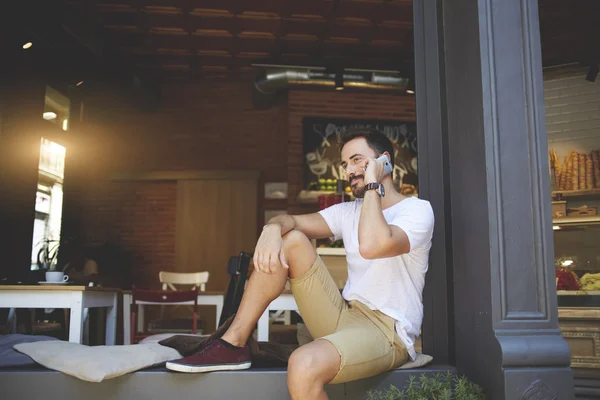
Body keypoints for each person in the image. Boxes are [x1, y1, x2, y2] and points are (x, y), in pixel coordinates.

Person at [166, 128, 435, 400]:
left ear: (384, 161)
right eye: (345, 164)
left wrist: (372, 185)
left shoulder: (416, 211)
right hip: (343, 314)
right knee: (291, 239)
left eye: (357, 160)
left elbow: (373, 245)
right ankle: (232, 343)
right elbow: (290, 221)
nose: (349, 170)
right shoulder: (348, 212)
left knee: (303, 364)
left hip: (386, 330)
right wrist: (271, 230)